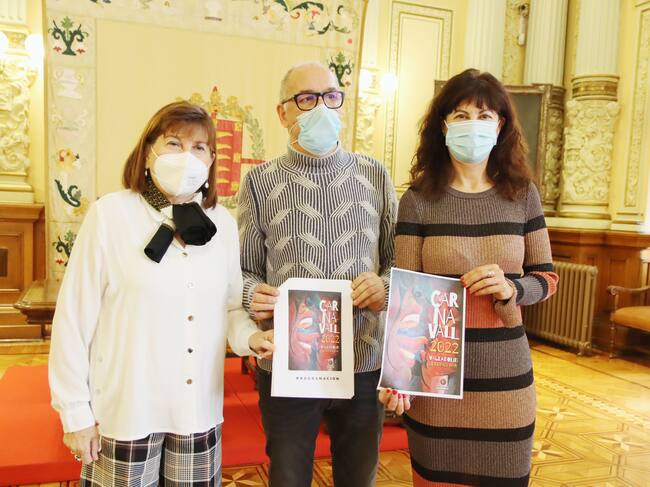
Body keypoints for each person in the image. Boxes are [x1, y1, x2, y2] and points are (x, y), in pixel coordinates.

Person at [48, 101, 274, 486]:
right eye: (174, 143)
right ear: (148, 152)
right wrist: (75, 413)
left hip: (196, 412)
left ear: (211, 161)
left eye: (199, 147)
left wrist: (252, 338)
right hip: (127, 410)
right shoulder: (110, 215)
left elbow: (230, 308)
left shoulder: (221, 223)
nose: (187, 156)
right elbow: (73, 319)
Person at [379, 68, 559, 486]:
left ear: (501, 126)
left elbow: (546, 278)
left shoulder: (523, 195)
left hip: (505, 376)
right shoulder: (418, 200)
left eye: (484, 116)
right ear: (443, 125)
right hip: (437, 377)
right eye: (461, 115)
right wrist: (400, 376)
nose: (472, 125)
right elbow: (406, 297)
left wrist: (512, 288)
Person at [237, 61, 397, 487]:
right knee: (288, 477)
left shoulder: (375, 175)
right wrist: (253, 294)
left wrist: (384, 287)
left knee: (358, 477)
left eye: (330, 96)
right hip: (290, 363)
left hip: (363, 361)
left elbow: (396, 261)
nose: (321, 108)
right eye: (306, 99)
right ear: (283, 113)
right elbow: (244, 271)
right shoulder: (259, 182)